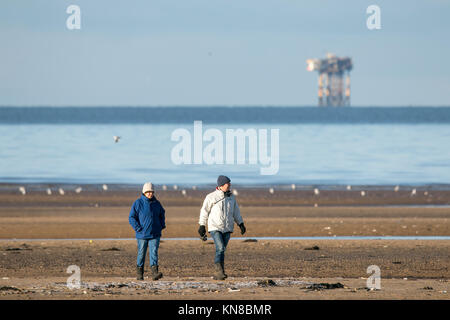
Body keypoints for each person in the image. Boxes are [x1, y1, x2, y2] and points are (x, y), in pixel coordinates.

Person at [198, 175, 246, 280]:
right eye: (227, 183)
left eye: (229, 183)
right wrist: (202, 225)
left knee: (222, 250)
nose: (230, 185)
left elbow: (236, 211)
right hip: (215, 227)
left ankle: (220, 272)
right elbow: (204, 211)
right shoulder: (211, 197)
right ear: (221, 185)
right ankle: (218, 271)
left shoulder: (231, 197)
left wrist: (241, 224)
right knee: (220, 248)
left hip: (227, 227)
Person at [129, 182, 166, 281]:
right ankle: (139, 274)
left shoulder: (157, 203)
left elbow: (162, 214)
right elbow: (131, 217)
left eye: (151, 192)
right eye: (148, 192)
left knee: (154, 252)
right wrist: (138, 228)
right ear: (144, 192)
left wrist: (162, 225)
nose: (150, 193)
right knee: (141, 253)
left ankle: (155, 273)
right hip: (142, 234)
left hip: (155, 234)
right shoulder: (138, 203)